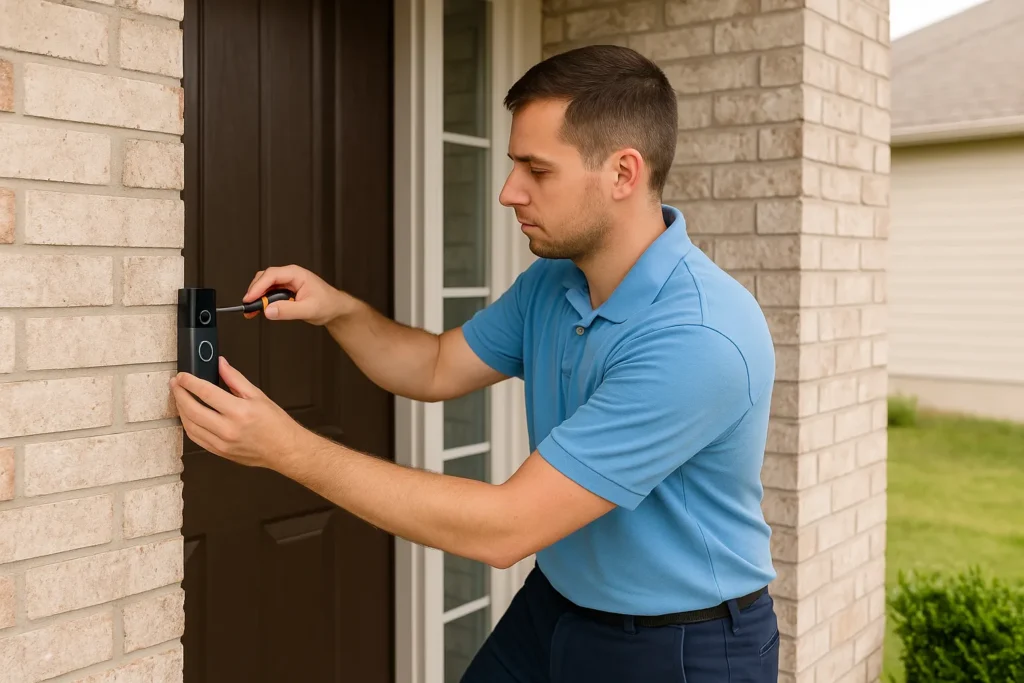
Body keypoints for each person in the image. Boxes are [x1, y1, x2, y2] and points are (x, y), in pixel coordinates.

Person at [170, 44, 780, 682]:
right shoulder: (554, 284)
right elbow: (435, 366)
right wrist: (337, 309)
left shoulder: (699, 337)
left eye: (536, 170)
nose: (508, 192)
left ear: (623, 173)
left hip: (681, 648)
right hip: (558, 606)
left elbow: (505, 528)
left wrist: (285, 448)